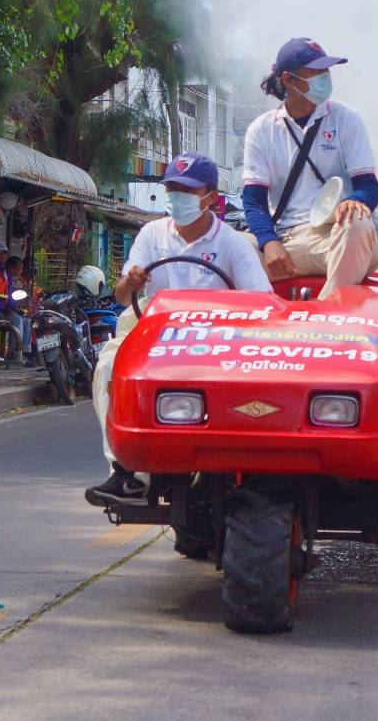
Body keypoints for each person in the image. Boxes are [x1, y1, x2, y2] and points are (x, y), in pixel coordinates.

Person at [85, 152, 271, 507]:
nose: (177, 196)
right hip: (155, 332)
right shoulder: (152, 233)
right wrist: (131, 281)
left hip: (215, 339)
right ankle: (126, 471)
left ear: (210, 198)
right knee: (109, 366)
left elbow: (261, 303)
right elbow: (123, 297)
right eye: (172, 187)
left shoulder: (232, 243)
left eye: (187, 189)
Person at [240, 37, 378, 299]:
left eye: (325, 71)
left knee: (358, 221)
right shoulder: (261, 130)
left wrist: (354, 201)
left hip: (333, 239)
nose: (324, 78)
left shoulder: (346, 119)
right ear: (289, 79)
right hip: (284, 240)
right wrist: (269, 242)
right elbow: (253, 201)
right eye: (314, 72)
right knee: (233, 245)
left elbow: (369, 187)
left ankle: (330, 311)